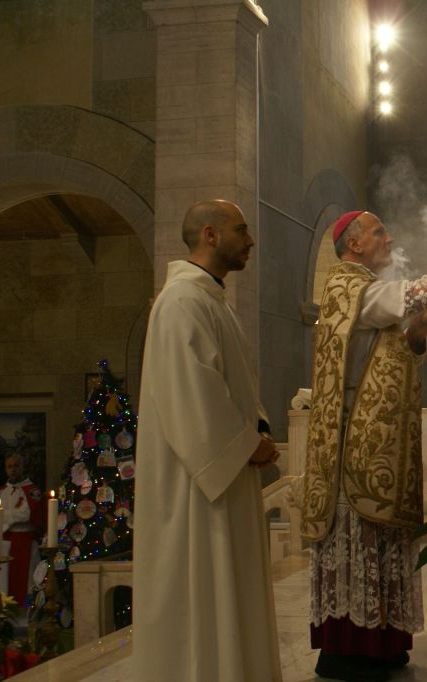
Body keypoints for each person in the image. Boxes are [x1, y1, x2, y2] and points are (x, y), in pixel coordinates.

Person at [301, 211, 427, 682]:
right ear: (354, 244)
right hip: (355, 446)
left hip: (372, 440)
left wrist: (413, 339)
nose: (389, 239)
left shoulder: (362, 289)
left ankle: (382, 644)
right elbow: (411, 296)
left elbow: (373, 359)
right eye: (379, 233)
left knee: (380, 537)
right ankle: (350, 652)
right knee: (361, 537)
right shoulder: (350, 286)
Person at [133, 199, 281, 682]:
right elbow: (193, 395)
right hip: (196, 489)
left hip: (226, 476)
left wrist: (258, 431)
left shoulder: (213, 302)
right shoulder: (181, 302)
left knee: (231, 596)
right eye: (241, 230)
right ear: (210, 235)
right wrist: (246, 445)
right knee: (202, 599)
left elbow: (237, 388)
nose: (251, 240)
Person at [0, 453, 45, 604]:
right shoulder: (0, 492)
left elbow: (27, 513)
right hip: (4, 544)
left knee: (27, 583)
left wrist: (5, 516)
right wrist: (9, 516)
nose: (13, 470)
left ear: (23, 467)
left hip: (26, 543)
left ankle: (27, 614)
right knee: (4, 584)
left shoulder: (33, 491)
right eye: (9, 466)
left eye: (16, 466)